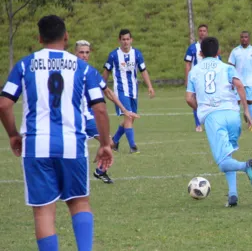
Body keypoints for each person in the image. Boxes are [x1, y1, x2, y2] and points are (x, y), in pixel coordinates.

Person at [0, 15, 113, 251]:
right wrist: (104, 144)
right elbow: (100, 109)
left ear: (40, 38)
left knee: (43, 213)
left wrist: (12, 134)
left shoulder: (24, 65)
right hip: (72, 145)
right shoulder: (83, 68)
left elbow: (4, 104)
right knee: (79, 202)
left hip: (36, 147)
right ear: (66, 36)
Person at [185, 37, 252, 207]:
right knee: (228, 154)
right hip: (232, 115)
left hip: (214, 117)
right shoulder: (227, 67)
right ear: (219, 52)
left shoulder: (194, 72)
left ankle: (246, 166)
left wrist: (201, 108)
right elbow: (240, 86)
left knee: (223, 162)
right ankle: (233, 195)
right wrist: (246, 111)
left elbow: (189, 98)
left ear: (200, 53)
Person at [75, 40, 139, 183]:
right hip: (72, 117)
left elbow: (108, 92)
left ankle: (100, 171)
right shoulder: (68, 71)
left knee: (109, 143)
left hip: (88, 117)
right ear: (75, 53)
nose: (84, 55)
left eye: (87, 52)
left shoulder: (91, 72)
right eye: (81, 52)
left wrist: (125, 110)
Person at [102, 29, 155, 154]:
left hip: (133, 91)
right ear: (119, 40)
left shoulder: (137, 54)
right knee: (128, 116)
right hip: (120, 91)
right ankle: (133, 146)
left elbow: (143, 70)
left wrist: (150, 86)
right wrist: (101, 87)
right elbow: (106, 72)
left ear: (131, 40)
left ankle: (114, 141)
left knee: (130, 118)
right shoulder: (114, 55)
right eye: (123, 39)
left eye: (127, 39)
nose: (125, 42)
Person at [184, 24, 219, 132]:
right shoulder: (192, 48)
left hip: (210, 79)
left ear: (207, 32)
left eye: (204, 31)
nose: (202, 33)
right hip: (197, 79)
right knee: (195, 100)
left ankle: (212, 122)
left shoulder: (213, 47)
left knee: (211, 100)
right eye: (200, 31)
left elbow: (218, 62)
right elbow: (188, 64)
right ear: (198, 33)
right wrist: (187, 79)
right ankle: (198, 124)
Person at [228, 31, 252, 131]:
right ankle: (236, 123)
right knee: (237, 102)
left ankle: (250, 123)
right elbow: (231, 66)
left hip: (250, 81)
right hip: (238, 81)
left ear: (249, 38)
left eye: (246, 37)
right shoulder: (235, 51)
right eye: (242, 37)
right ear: (240, 39)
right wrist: (230, 80)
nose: (244, 39)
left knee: (250, 101)